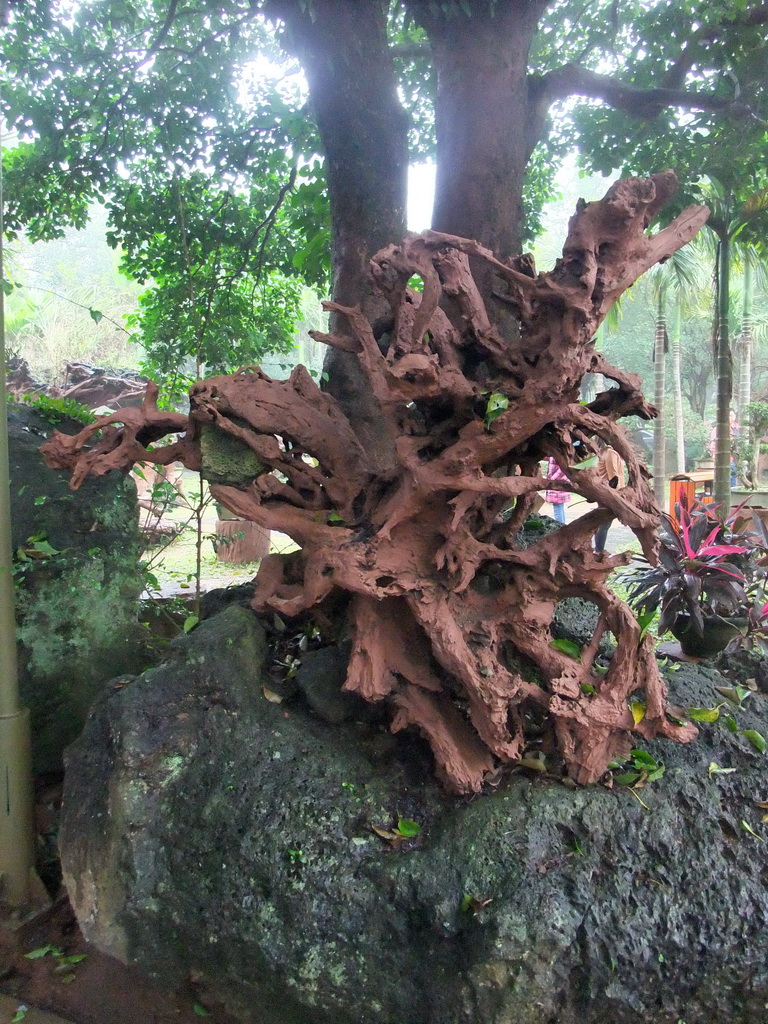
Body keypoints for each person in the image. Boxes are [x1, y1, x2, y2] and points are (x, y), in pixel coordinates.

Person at [594, 443, 625, 554]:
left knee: (604, 523)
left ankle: (599, 550)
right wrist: (620, 493)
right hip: (610, 493)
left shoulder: (602, 452)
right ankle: (599, 551)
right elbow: (614, 476)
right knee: (604, 524)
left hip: (605, 492)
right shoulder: (610, 453)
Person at [545, 456, 569, 525]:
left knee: (557, 508)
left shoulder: (559, 454)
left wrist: (552, 480)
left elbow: (562, 469)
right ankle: (563, 526)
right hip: (560, 483)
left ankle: (560, 526)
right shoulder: (555, 454)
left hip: (557, 484)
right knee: (560, 507)